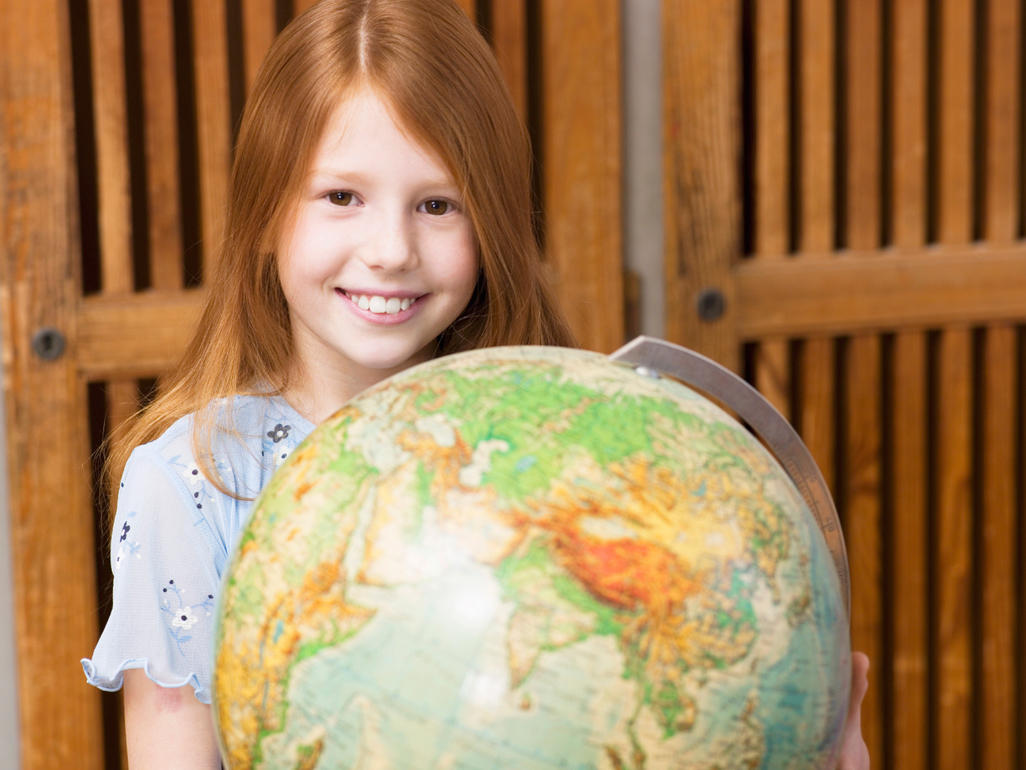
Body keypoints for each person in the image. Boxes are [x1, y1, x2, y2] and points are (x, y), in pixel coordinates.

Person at [81, 1, 870, 767]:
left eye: (437, 204)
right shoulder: (188, 485)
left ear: (490, 223)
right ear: (262, 214)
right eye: (341, 197)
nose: (391, 249)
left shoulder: (565, 449)